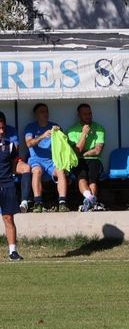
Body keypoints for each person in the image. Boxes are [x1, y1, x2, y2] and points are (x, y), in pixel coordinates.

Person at [22, 104, 66, 211]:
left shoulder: (54, 126)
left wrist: (60, 132)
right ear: (36, 115)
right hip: (36, 159)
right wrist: (42, 136)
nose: (45, 114)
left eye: (46, 111)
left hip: (52, 160)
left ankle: (62, 202)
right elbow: (29, 143)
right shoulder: (30, 127)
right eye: (42, 111)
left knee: (61, 171)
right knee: (36, 171)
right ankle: (38, 203)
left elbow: (64, 143)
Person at [66, 103, 107, 211]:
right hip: (78, 161)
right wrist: (84, 133)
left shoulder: (99, 128)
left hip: (94, 160)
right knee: (82, 177)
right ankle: (92, 200)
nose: (88, 116)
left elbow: (98, 150)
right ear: (79, 115)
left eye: (90, 113)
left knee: (92, 179)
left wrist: (82, 153)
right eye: (85, 114)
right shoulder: (72, 130)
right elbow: (77, 150)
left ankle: (89, 202)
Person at [0, 112, 21, 259]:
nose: (2, 132)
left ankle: (12, 251)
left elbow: (14, 164)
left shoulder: (11, 146)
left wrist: (12, 177)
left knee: (8, 218)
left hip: (7, 184)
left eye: (3, 128)